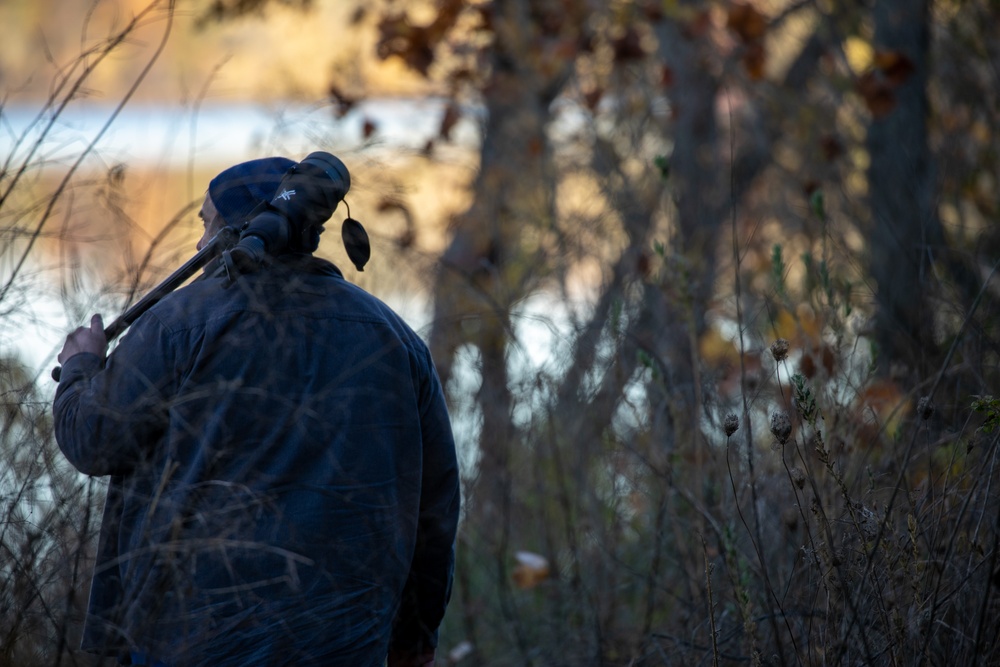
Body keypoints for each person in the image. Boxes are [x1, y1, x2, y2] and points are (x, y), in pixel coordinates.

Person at [53, 155, 461, 666]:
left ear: (238, 229)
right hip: (346, 642)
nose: (201, 245)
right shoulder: (394, 338)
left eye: (207, 223)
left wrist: (80, 368)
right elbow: (435, 508)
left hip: (189, 642)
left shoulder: (177, 325)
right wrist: (415, 636)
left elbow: (93, 439)